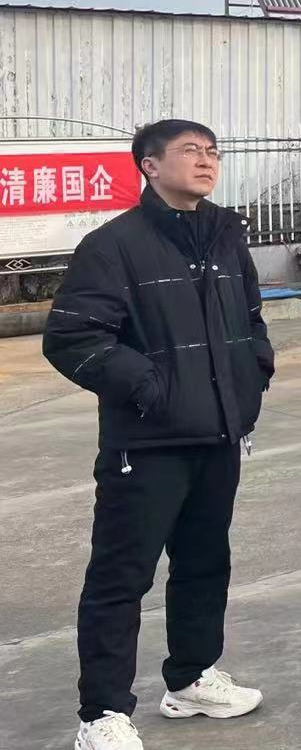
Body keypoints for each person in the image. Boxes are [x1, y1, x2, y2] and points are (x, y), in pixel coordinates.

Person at [43, 120, 273, 750]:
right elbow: (72, 337)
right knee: (122, 576)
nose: (206, 161)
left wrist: (253, 374)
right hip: (146, 444)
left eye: (213, 151)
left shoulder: (226, 237)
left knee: (204, 563)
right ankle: (102, 713)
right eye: (190, 151)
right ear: (149, 165)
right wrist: (153, 389)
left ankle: (192, 678)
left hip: (220, 434)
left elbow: (251, 319)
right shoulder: (113, 245)